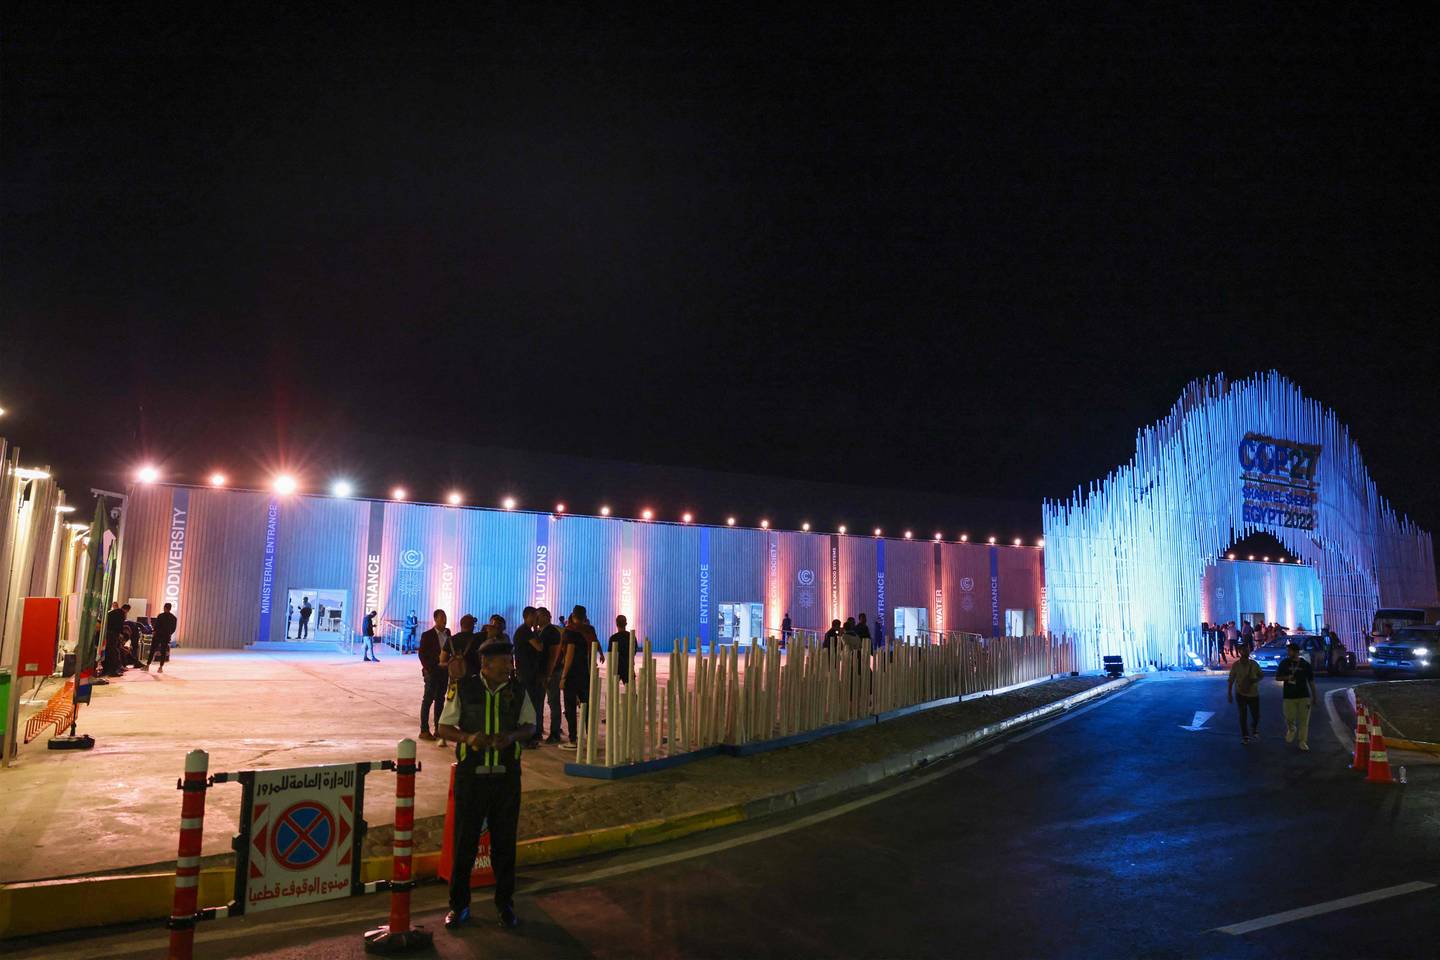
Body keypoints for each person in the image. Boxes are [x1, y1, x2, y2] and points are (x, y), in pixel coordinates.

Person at [436, 638, 533, 931]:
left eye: (510, 661)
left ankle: (505, 905)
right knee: (465, 843)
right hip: (472, 778)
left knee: (504, 846)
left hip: (506, 779)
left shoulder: (517, 691)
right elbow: (443, 726)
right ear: (486, 665)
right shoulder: (464, 689)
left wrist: (512, 737)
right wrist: (469, 738)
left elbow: (530, 725)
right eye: (503, 662)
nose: (509, 667)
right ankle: (459, 906)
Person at [558, 611, 597, 749]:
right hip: (585, 674)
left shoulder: (570, 633)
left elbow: (569, 655)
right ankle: (591, 738)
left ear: (573, 617)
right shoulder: (587, 632)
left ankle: (573, 739)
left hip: (573, 675)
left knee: (570, 707)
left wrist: (563, 676)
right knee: (587, 707)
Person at [1275, 642, 1317, 751]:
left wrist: (1314, 695)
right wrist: (1287, 677)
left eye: (1290, 651)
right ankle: (1291, 729)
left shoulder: (1305, 665)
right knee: (1289, 717)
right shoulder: (1284, 663)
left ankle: (1302, 741)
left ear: (1296, 652)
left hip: (1304, 695)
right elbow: (1277, 678)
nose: (1288, 653)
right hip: (1289, 696)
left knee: (1304, 720)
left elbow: (1311, 681)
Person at [513, 607, 544, 747]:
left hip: (528, 673)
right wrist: (537, 629)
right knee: (529, 706)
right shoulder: (525, 631)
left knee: (530, 704)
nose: (536, 620)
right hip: (526, 673)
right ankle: (526, 738)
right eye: (535, 617)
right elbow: (539, 647)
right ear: (528, 616)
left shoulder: (525, 631)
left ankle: (530, 736)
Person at [418, 609, 451, 741]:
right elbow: (422, 655)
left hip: (444, 672)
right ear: (435, 619)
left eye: (445, 617)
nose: (444, 620)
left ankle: (438, 729)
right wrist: (429, 668)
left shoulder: (448, 633)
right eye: (442, 617)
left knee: (440, 700)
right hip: (432, 672)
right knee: (427, 700)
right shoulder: (427, 635)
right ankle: (424, 730)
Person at [535, 607, 564, 745]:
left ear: (547, 617)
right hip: (544, 672)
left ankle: (555, 732)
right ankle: (538, 730)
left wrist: (549, 673)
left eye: (539, 616)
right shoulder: (541, 631)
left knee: (553, 702)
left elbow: (554, 655)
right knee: (539, 701)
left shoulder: (551, 632)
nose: (537, 619)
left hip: (551, 672)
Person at [1227, 643, 1263, 743]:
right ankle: (1245, 736)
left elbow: (1261, 675)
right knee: (1243, 715)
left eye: (1247, 650)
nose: (1246, 652)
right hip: (1240, 693)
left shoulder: (1254, 664)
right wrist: (1229, 693)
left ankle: (1254, 726)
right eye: (1244, 650)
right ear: (1240, 652)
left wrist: (1254, 680)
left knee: (1256, 715)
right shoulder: (1236, 665)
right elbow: (1231, 679)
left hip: (1253, 693)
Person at [146, 602, 177, 672]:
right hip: (166, 636)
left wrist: (154, 631)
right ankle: (160, 667)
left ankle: (147, 666)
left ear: (164, 608)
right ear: (170, 608)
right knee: (163, 651)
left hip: (158, 635)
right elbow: (173, 628)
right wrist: (169, 633)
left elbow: (156, 625)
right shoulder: (173, 618)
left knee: (153, 650)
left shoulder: (160, 616)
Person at [103, 603, 129, 676]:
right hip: (113, 634)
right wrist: (121, 634)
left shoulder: (112, 612)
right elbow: (120, 625)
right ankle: (113, 671)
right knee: (114, 652)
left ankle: (106, 670)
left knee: (108, 651)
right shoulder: (121, 614)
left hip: (106, 633)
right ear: (127, 610)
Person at [608, 614, 633, 684]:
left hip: (616, 667)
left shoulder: (613, 638)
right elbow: (634, 651)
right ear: (626, 624)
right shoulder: (631, 636)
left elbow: (610, 653)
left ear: (616, 624)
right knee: (631, 691)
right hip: (628, 666)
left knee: (612, 691)